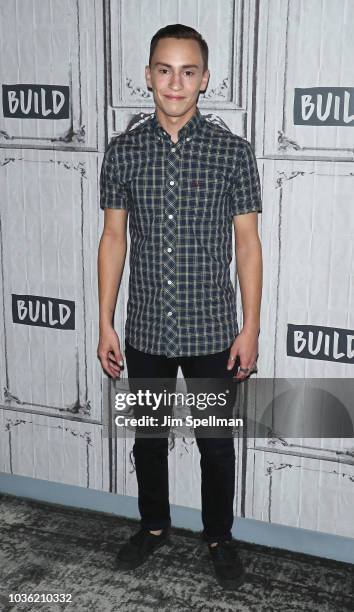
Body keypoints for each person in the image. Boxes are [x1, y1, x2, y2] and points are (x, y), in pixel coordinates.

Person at [97, 24, 262, 591]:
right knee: (149, 437)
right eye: (164, 70)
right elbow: (113, 239)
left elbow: (248, 245)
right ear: (148, 76)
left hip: (214, 329)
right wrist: (103, 322)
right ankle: (153, 526)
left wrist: (252, 328)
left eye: (188, 71)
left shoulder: (232, 154)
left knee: (215, 445)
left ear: (204, 79)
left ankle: (219, 536)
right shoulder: (123, 152)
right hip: (143, 327)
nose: (176, 82)